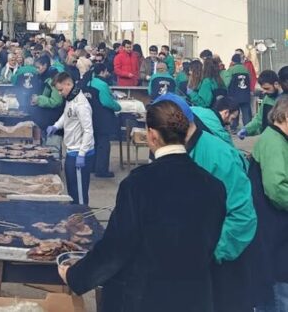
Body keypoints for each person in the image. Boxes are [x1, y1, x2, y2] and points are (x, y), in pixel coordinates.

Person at [60, 99, 227, 312]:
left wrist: (75, 276)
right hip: (195, 298)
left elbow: (116, 248)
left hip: (145, 298)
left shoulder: (138, 183)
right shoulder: (214, 187)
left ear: (152, 134)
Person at [153, 93, 257, 312]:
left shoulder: (219, 157)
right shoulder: (175, 151)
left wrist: (211, 254)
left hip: (220, 267)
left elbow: (242, 216)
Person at [247, 95, 288, 311]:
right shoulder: (274, 142)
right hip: (273, 230)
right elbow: (276, 188)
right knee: (278, 288)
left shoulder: (276, 139)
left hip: (273, 230)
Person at [46, 72, 95, 204]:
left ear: (69, 84)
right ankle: (74, 215)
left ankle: (82, 217)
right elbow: (66, 115)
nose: (60, 93)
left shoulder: (81, 104)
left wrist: (82, 154)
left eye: (61, 90)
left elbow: (88, 131)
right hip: (71, 150)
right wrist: (56, 126)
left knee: (79, 192)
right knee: (72, 189)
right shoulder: (71, 99)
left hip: (80, 152)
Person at [83, 64, 122, 178]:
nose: (108, 74)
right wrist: (118, 106)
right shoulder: (102, 84)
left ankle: (92, 167)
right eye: (107, 71)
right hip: (102, 118)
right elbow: (106, 102)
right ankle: (101, 170)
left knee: (93, 143)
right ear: (103, 71)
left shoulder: (90, 82)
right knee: (103, 145)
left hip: (91, 116)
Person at [239, 69, 280, 139]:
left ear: (276, 84)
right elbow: (259, 119)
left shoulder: (283, 100)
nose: (264, 92)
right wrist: (247, 129)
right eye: (263, 89)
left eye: (267, 88)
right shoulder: (266, 99)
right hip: (268, 137)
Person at [29, 55, 64, 138]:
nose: (36, 70)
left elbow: (57, 101)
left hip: (53, 120)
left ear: (45, 65)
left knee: (52, 146)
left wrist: (39, 99)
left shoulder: (53, 78)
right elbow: (46, 93)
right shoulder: (43, 77)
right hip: (44, 118)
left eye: (38, 67)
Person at [223, 54, 252, 129]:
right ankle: (248, 128)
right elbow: (250, 81)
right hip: (245, 95)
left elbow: (227, 82)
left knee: (234, 111)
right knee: (246, 112)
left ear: (233, 61)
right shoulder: (245, 69)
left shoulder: (231, 70)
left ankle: (233, 127)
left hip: (234, 95)